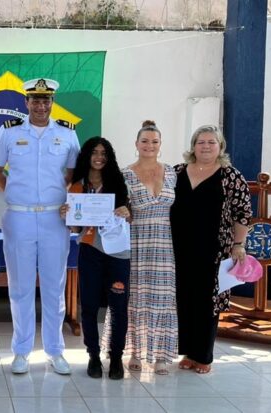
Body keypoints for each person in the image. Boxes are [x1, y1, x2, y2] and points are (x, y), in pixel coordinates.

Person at [0, 78, 80, 375]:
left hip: (55, 218)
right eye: (35, 100)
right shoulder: (10, 132)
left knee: (54, 287)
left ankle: (55, 350)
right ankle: (21, 351)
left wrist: (59, 193)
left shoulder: (67, 133)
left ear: (52, 102)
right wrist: (12, 191)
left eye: (46, 100)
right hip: (20, 217)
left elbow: (73, 173)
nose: (41, 106)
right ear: (26, 102)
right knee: (20, 287)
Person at [171, 125, 252, 374]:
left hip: (215, 249)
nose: (205, 146)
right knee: (183, 299)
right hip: (178, 248)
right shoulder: (177, 172)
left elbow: (243, 214)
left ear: (220, 146)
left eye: (211, 142)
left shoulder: (231, 176)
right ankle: (188, 352)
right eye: (201, 142)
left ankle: (203, 356)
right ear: (193, 146)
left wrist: (238, 244)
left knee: (207, 302)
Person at [60, 137, 130, 380]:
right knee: (88, 306)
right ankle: (93, 356)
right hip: (90, 251)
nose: (99, 157)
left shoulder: (118, 182)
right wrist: (66, 216)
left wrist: (126, 211)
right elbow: (74, 229)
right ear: (86, 156)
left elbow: (129, 216)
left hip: (118, 253)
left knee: (119, 307)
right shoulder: (77, 187)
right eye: (94, 152)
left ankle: (116, 357)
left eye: (103, 153)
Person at [123, 120, 178, 375]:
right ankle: (135, 352)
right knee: (135, 295)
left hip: (165, 242)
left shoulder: (172, 173)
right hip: (136, 240)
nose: (149, 145)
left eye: (154, 141)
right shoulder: (124, 174)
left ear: (160, 144)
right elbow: (117, 207)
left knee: (163, 298)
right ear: (136, 144)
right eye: (144, 141)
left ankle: (161, 356)